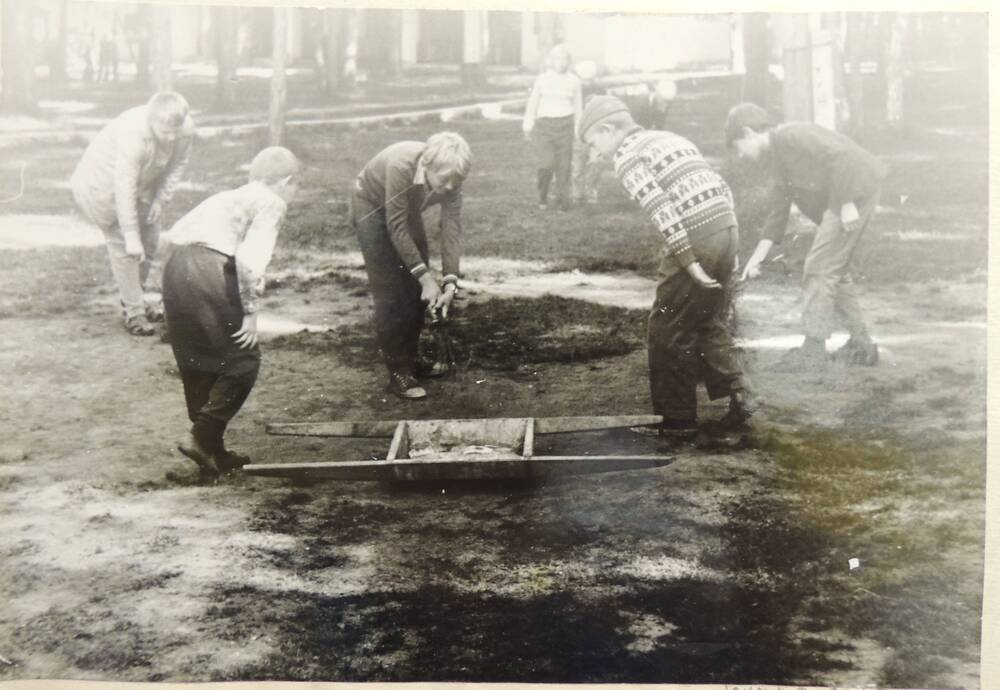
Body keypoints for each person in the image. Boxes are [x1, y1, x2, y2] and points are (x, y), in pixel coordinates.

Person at [578, 95, 752, 440]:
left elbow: (662, 210)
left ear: (609, 130)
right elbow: (722, 187)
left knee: (666, 326)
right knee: (706, 319)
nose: (594, 151)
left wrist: (689, 263)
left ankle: (675, 422)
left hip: (696, 236)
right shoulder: (670, 138)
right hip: (724, 228)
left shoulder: (628, 156)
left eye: (594, 141)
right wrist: (731, 245)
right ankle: (743, 398)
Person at [149, 146, 300, 478]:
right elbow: (249, 260)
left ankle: (212, 452)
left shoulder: (224, 197)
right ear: (286, 182)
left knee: (199, 360)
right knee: (244, 358)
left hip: (175, 270)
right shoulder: (271, 202)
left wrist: (157, 290)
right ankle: (201, 436)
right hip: (209, 269)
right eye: (294, 187)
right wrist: (250, 311)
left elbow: (168, 239)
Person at [725, 102, 887, 368]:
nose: (741, 155)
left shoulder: (792, 134)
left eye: (738, 147)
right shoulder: (777, 159)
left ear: (748, 133)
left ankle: (814, 347)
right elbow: (778, 212)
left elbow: (842, 155)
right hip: (845, 197)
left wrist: (846, 203)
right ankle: (861, 344)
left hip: (853, 192)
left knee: (818, 268)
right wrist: (757, 258)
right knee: (834, 269)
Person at [351, 132, 472, 400]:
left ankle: (411, 359)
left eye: (457, 181)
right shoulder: (400, 166)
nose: (450, 186)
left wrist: (450, 281)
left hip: (404, 209)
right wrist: (426, 279)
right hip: (371, 207)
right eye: (444, 179)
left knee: (417, 290)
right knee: (391, 291)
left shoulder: (452, 176)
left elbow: (451, 228)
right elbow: (395, 226)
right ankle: (398, 372)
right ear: (427, 166)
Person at [71, 91, 195, 336]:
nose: (171, 138)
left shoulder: (185, 129)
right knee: (126, 247)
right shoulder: (134, 134)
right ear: (152, 122)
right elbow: (123, 183)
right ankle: (134, 311)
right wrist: (129, 233)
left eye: (175, 131)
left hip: (141, 184)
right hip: (102, 185)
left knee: (149, 241)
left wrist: (161, 199)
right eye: (165, 132)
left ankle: (132, 299)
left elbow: (177, 166)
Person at [523, 44, 583, 211]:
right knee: (546, 165)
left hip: (566, 126)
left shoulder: (574, 82)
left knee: (564, 167)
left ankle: (561, 201)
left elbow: (578, 108)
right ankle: (542, 195)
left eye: (565, 59)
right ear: (551, 60)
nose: (561, 63)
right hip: (545, 126)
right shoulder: (542, 79)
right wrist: (528, 125)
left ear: (569, 61)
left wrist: (578, 130)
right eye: (558, 58)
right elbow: (533, 104)